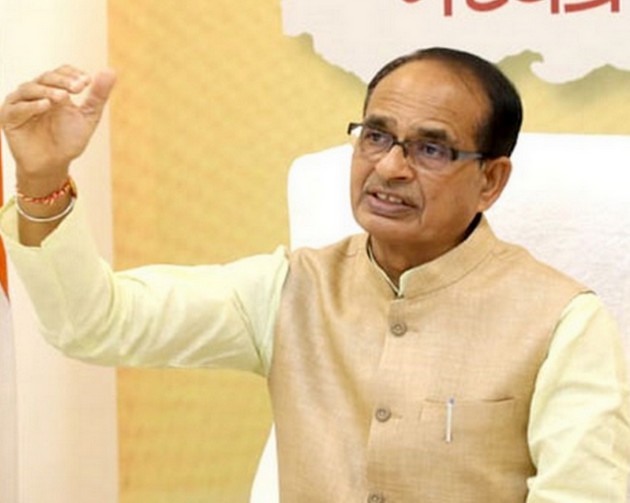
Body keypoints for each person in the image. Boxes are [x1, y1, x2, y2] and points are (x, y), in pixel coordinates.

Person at [0, 47, 628, 502]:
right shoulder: (289, 289)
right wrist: (42, 178)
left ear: (490, 180)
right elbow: (95, 323)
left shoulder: (561, 320)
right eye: (376, 136)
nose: (390, 168)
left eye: (430, 148)